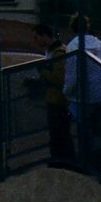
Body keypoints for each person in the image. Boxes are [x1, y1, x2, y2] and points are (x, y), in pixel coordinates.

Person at [63, 14, 101, 173]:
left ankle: (86, 165)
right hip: (100, 95)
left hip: (80, 99)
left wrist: (66, 92)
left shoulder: (72, 47)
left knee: (83, 132)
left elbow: (72, 76)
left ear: (72, 28)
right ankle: (100, 165)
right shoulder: (99, 45)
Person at [26, 23, 75, 161]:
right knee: (59, 134)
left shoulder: (58, 53)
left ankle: (62, 161)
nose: (34, 41)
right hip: (56, 99)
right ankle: (62, 161)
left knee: (60, 134)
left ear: (45, 36)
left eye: (36, 37)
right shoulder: (53, 52)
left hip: (58, 100)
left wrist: (42, 71)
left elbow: (58, 78)